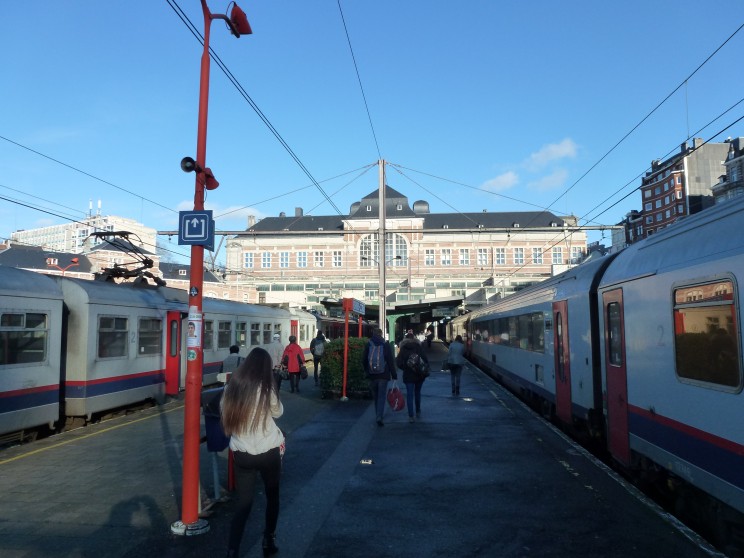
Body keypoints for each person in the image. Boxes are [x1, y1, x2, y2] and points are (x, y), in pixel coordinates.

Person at [220, 347, 284, 558]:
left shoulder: (232, 387)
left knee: (243, 504)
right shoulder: (266, 388)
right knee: (272, 496)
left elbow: (223, 411)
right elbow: (278, 412)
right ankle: (268, 539)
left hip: (242, 454)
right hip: (268, 452)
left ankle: (232, 550)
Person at [362, 328, 397, 426]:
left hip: (372, 375)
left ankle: (377, 414)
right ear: (381, 334)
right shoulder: (385, 344)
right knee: (382, 396)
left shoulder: (369, 344)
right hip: (383, 375)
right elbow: (390, 361)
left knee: (376, 397)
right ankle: (379, 416)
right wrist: (394, 375)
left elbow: (364, 359)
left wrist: (367, 371)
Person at [396, 332, 429, 422]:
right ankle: (418, 410)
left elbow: (398, 362)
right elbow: (425, 360)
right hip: (419, 375)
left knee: (409, 395)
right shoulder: (419, 347)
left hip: (408, 375)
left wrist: (405, 368)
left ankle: (411, 416)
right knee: (417, 393)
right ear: (414, 338)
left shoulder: (403, 348)